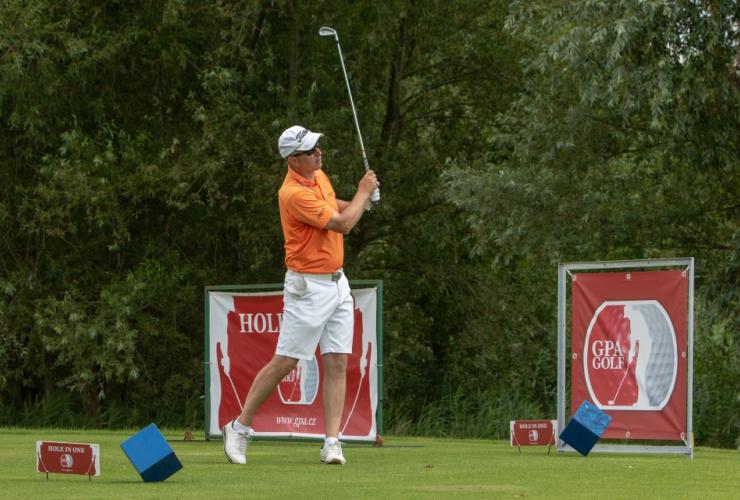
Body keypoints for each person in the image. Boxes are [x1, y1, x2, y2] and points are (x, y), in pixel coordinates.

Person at [222, 125, 378, 465]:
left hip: (337, 282)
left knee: (337, 361)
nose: (318, 153)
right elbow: (342, 225)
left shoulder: (318, 176)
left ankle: (332, 442)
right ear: (293, 160)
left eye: (317, 146)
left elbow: (335, 207)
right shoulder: (292, 193)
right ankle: (239, 426)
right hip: (307, 287)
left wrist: (360, 201)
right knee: (287, 361)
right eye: (310, 150)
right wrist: (363, 193)